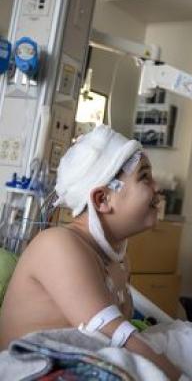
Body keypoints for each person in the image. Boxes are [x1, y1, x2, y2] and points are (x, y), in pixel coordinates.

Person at [0, 126, 182, 380]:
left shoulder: (117, 260)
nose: (157, 188)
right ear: (102, 200)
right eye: (144, 177)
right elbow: (117, 336)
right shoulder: (57, 244)